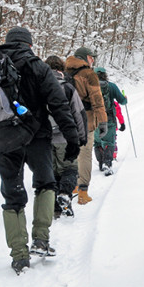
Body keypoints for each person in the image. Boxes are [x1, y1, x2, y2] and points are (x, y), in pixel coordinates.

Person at [0, 28, 80, 274]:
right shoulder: (38, 67)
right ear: (29, 45)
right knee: (45, 184)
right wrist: (72, 138)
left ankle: (19, 255)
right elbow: (58, 105)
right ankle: (41, 240)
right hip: (37, 138)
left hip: (3, 140)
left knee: (12, 195)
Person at [45, 56, 87, 218]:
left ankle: (55, 208)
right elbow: (79, 113)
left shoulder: (39, 87)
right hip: (66, 138)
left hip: (46, 139)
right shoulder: (68, 88)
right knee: (70, 169)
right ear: (61, 69)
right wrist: (81, 137)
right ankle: (65, 194)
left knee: (52, 172)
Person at [63, 46, 107, 204]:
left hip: (66, 119)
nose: (93, 60)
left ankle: (71, 185)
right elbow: (97, 100)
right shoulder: (89, 74)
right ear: (84, 57)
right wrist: (103, 121)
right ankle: (83, 191)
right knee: (85, 153)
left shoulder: (64, 71)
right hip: (85, 119)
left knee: (70, 153)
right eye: (91, 57)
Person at [93, 66, 128, 175]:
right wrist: (125, 98)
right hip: (109, 119)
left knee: (97, 142)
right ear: (105, 75)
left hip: (94, 119)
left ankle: (100, 163)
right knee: (109, 141)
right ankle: (107, 164)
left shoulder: (89, 87)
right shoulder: (111, 86)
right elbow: (122, 101)